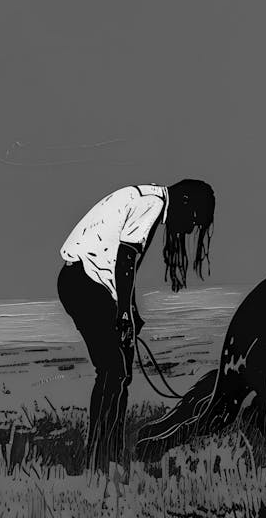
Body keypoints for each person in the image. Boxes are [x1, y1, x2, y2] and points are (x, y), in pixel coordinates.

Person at [56, 179, 215, 473]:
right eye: (193, 220)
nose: (191, 229)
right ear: (184, 202)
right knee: (113, 371)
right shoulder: (151, 204)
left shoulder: (147, 200)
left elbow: (119, 265)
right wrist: (125, 313)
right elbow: (125, 259)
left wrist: (129, 311)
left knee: (119, 372)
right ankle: (100, 459)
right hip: (85, 285)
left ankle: (109, 456)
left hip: (90, 286)